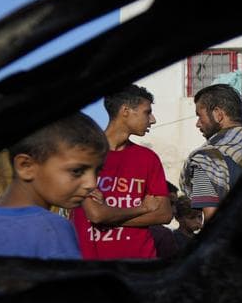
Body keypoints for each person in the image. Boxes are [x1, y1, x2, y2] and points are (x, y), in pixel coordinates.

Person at [71, 84, 173, 259]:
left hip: (141, 264)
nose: (153, 119)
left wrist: (109, 213)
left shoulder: (148, 158)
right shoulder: (84, 154)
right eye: (147, 112)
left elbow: (164, 214)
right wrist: (143, 208)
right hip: (93, 264)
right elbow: (96, 214)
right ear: (125, 111)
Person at [0, 113, 107, 260]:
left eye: (98, 171)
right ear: (26, 166)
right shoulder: (52, 229)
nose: (92, 184)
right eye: (77, 171)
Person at [180, 83, 242, 223]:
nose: (198, 124)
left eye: (200, 116)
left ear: (218, 114)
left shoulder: (205, 160)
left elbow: (212, 218)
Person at [151, 193, 202, 258]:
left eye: (200, 217)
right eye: (191, 218)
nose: (198, 221)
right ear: (179, 218)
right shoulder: (174, 239)